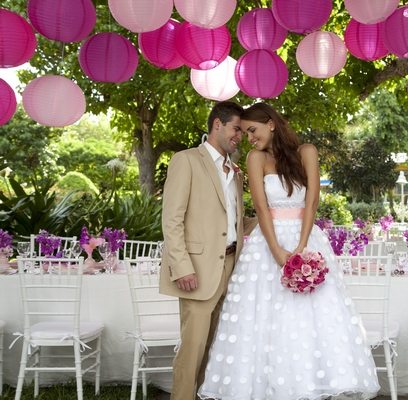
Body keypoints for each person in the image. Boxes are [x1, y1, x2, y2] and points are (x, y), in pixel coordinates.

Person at [198, 103, 380, 400]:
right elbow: (260, 208)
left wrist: (302, 246)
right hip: (267, 245)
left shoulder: (307, 151)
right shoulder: (255, 159)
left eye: (252, 130)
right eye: (244, 133)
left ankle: (308, 384)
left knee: (310, 317)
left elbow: (312, 202)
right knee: (264, 317)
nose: (249, 138)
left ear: (271, 123)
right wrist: (278, 252)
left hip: (305, 238)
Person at [159, 101, 245, 400]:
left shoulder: (235, 171)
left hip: (232, 266)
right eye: (236, 129)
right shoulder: (186, 160)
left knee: (216, 346)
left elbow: (234, 220)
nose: (240, 136)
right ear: (217, 124)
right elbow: (172, 219)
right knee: (193, 347)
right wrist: (181, 266)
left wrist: (280, 218)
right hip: (196, 269)